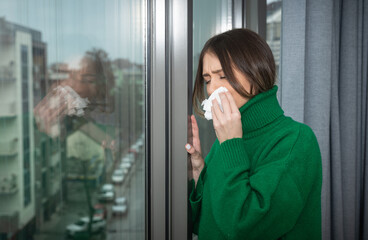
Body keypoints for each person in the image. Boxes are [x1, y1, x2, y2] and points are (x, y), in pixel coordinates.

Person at [185, 28, 322, 240]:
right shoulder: (225, 140)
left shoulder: (296, 141)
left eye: (222, 75)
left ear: (255, 72)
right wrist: (198, 172)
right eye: (207, 79)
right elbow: (204, 224)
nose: (212, 89)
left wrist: (231, 143)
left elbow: (243, 228)